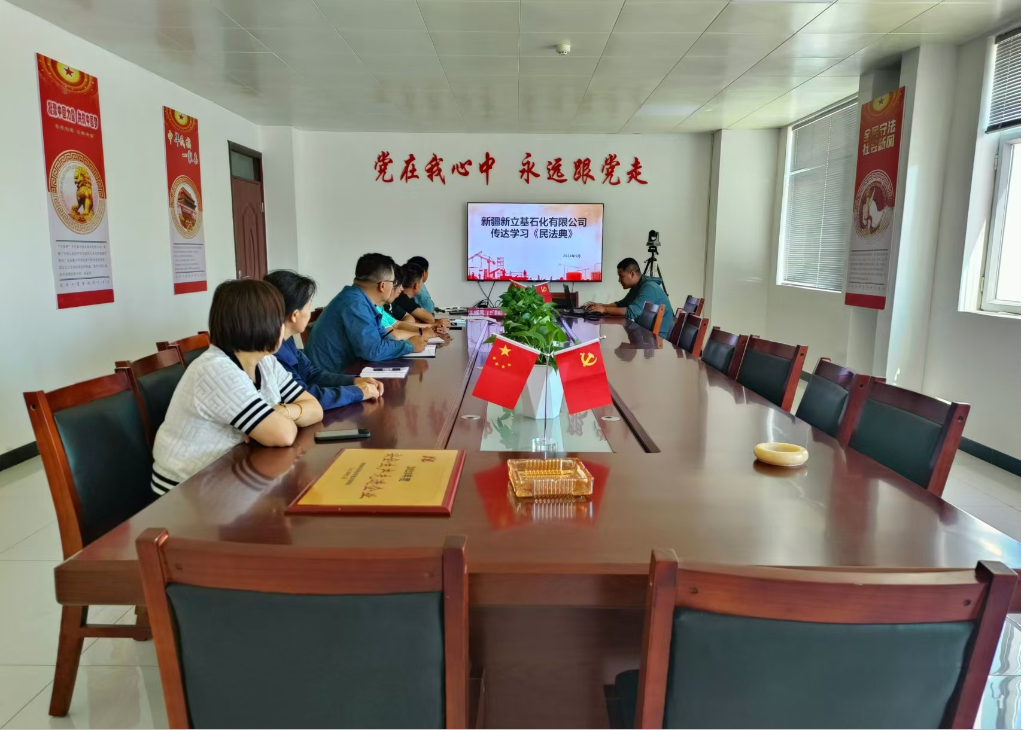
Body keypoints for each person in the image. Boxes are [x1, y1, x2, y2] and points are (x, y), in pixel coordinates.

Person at [151, 279, 323, 496]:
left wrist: (282, 412)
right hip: (185, 492)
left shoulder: (266, 362)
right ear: (260, 324)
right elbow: (284, 435)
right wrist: (280, 419)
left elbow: (315, 409)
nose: (283, 325)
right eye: (278, 318)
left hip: (231, 474)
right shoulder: (216, 369)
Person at [264, 269, 384, 409]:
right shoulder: (272, 351)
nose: (309, 312)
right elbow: (304, 396)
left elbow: (310, 373)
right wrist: (357, 392)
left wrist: (354, 381)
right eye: (308, 306)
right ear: (295, 315)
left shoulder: (286, 340)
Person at [306, 253, 428, 371]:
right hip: (327, 378)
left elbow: (384, 337)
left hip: (346, 372)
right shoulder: (355, 304)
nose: (395, 287)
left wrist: (408, 343)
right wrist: (409, 346)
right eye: (393, 282)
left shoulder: (361, 300)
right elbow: (372, 350)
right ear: (383, 285)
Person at [585, 258, 675, 338]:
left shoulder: (649, 288)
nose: (619, 280)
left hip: (659, 338)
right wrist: (599, 306)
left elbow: (632, 312)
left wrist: (604, 309)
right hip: (646, 334)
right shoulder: (638, 286)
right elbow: (621, 304)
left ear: (632, 274)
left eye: (621, 276)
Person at [390, 263, 450, 332]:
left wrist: (415, 321)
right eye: (421, 282)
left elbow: (408, 319)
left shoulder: (407, 298)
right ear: (416, 285)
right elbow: (430, 319)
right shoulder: (402, 298)